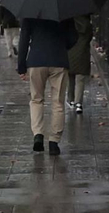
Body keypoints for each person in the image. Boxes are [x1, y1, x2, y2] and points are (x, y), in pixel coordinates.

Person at [17, 15, 77, 155]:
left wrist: (21, 66)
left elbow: (24, 40)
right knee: (58, 102)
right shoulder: (64, 10)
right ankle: (54, 142)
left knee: (36, 99)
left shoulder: (29, 11)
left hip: (36, 60)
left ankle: (38, 134)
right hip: (59, 60)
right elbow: (73, 37)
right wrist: (62, 45)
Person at [66, 14, 93, 113]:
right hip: (83, 52)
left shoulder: (69, 21)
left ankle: (71, 99)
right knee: (80, 79)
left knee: (71, 77)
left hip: (70, 52)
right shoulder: (87, 24)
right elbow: (90, 37)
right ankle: (79, 103)